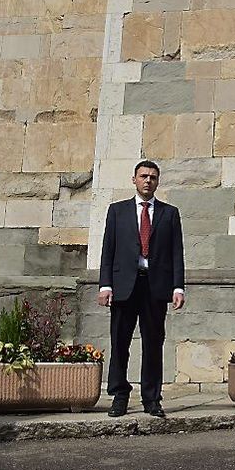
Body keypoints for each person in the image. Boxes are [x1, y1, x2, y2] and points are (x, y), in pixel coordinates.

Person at [98, 160, 185, 419]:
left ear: (158, 182)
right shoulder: (117, 211)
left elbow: (176, 253)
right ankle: (119, 396)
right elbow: (108, 251)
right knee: (120, 342)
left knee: (153, 343)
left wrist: (178, 287)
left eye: (153, 177)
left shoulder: (169, 213)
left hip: (155, 286)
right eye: (144, 176)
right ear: (134, 180)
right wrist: (105, 285)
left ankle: (151, 398)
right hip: (124, 286)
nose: (148, 181)